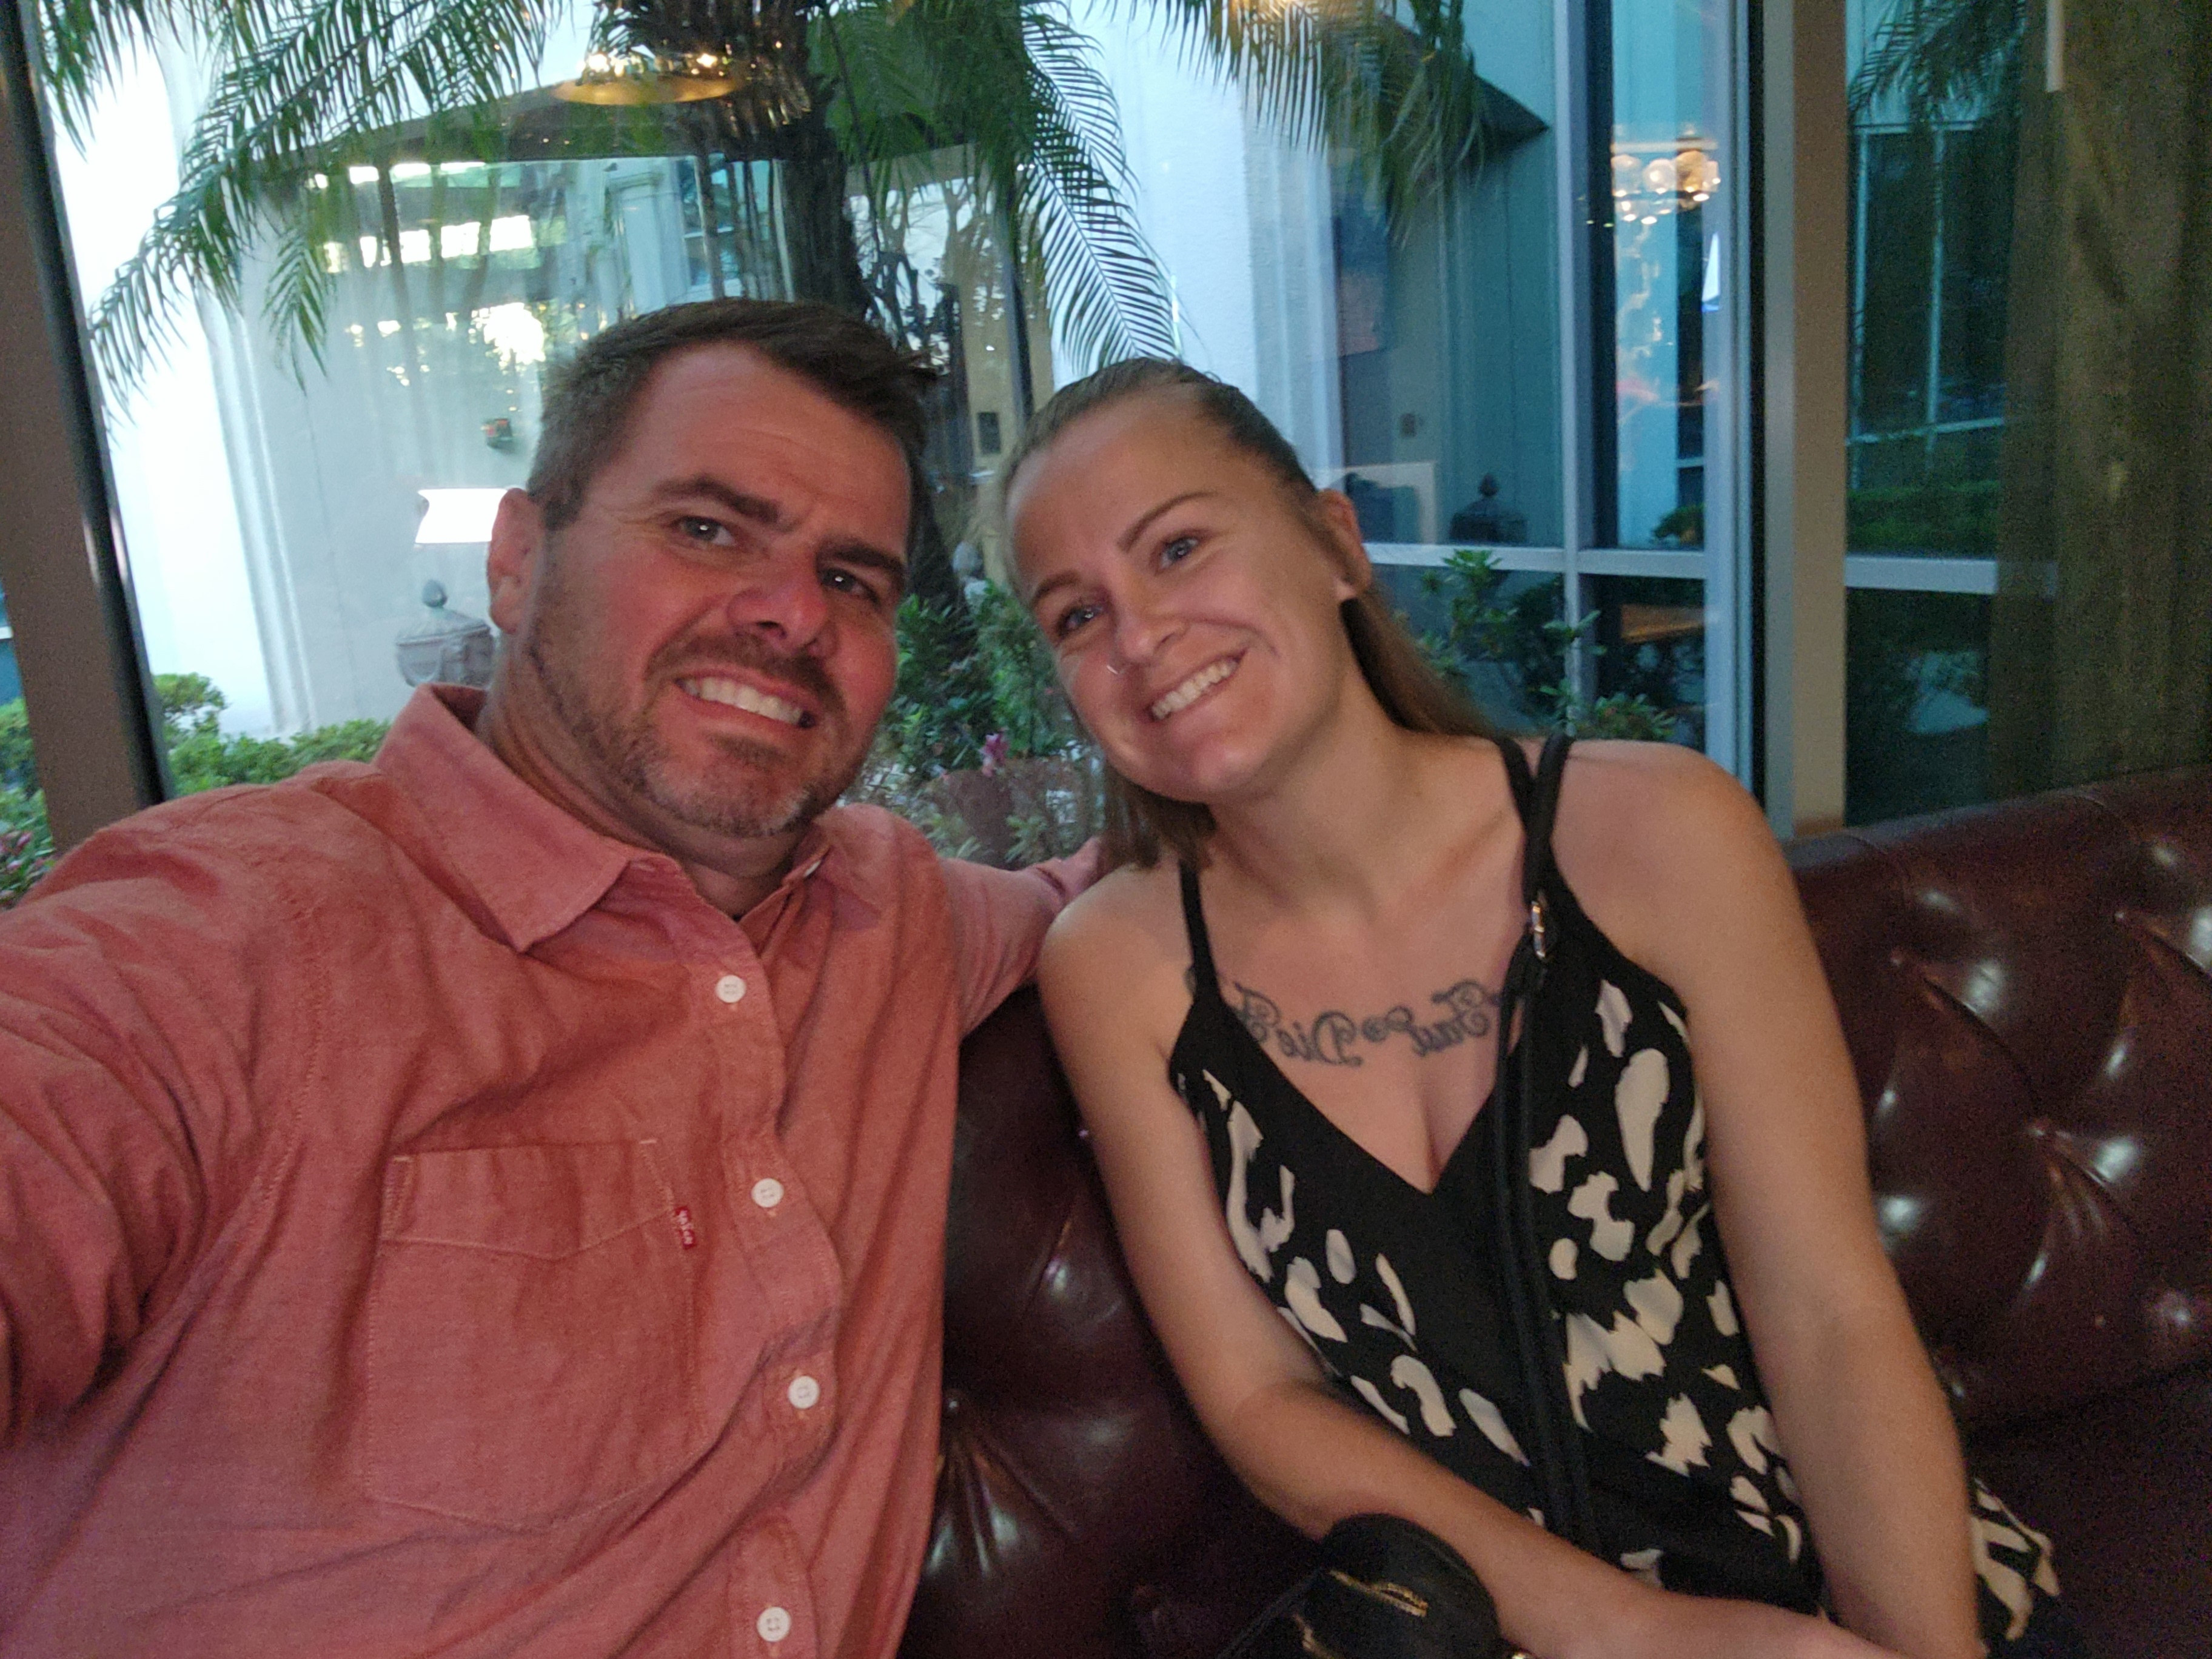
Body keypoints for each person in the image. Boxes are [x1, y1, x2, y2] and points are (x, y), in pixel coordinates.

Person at [0, 299, 1093, 1658]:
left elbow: (1127, 888)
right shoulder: (227, 937)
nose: (793, 613)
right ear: (517, 562)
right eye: (708, 529)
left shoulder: (894, 909)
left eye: (853, 581)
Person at [1000, 359, 2072, 1659]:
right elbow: (1261, 1399)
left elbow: (1830, 1310)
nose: (1138, 637)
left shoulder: (1658, 832)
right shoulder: (1118, 964)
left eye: (1178, 547)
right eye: (1076, 616)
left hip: (1842, 1588)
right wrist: (1643, 1638)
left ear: (1336, 544)